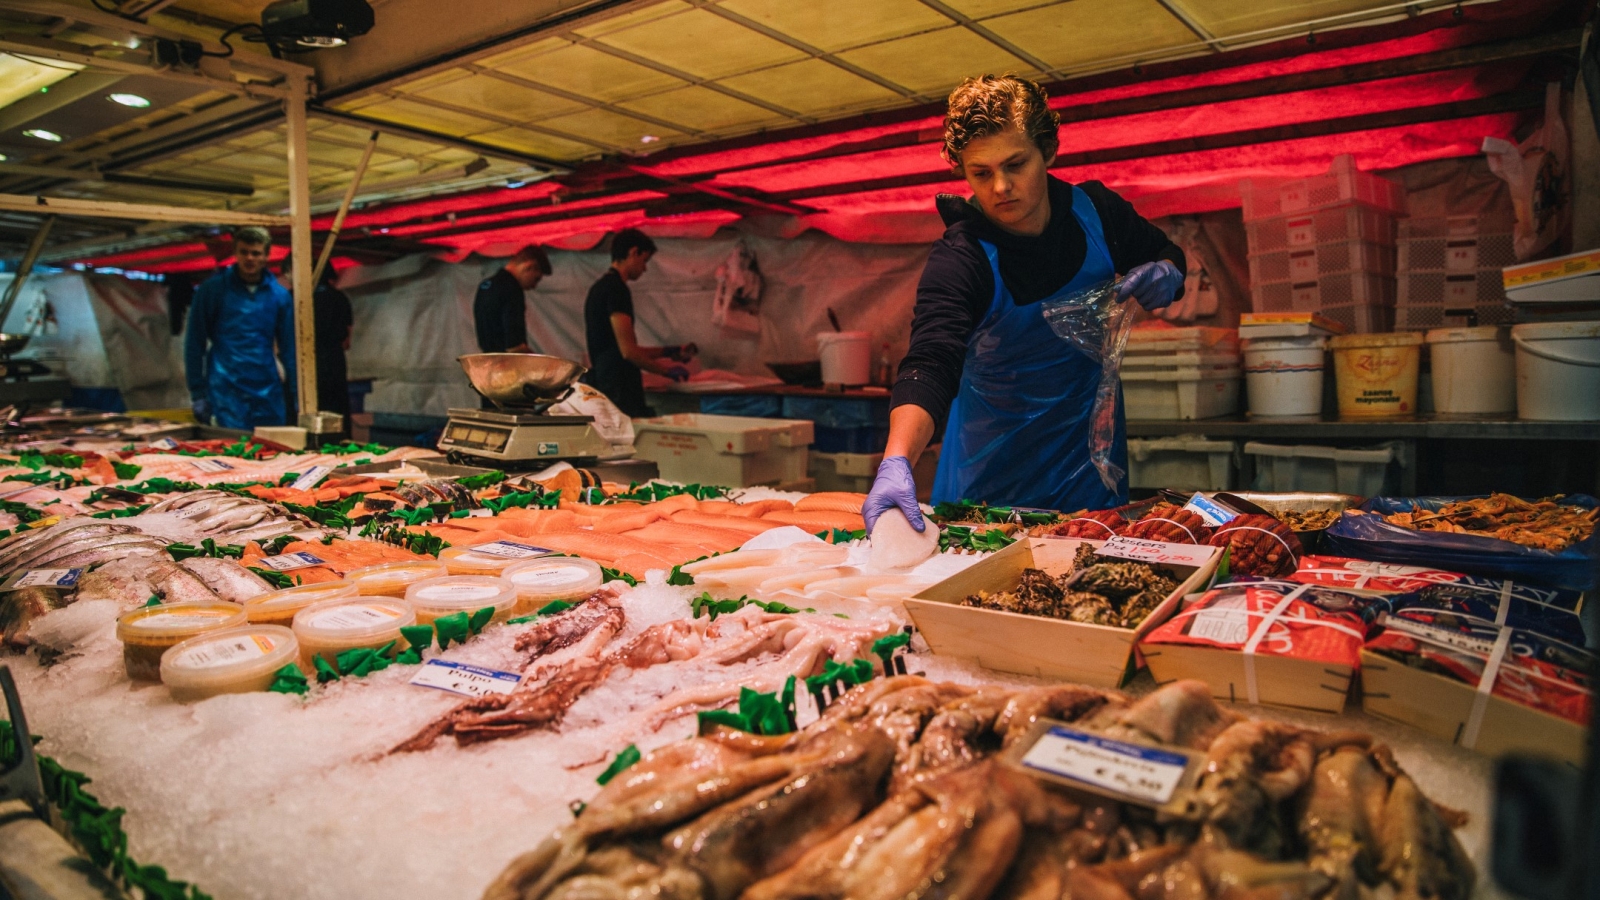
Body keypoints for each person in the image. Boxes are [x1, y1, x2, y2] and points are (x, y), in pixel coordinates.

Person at [863, 75, 1186, 534]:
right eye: (981, 173)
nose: (1000, 187)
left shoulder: (1098, 213)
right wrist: (897, 459)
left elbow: (1165, 252)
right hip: (988, 478)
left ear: (1049, 150)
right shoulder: (962, 257)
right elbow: (932, 361)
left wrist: (1169, 274)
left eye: (1016, 164)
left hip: (1088, 459)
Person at [185, 226, 297, 429]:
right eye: (244, 252)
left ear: (266, 256)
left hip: (267, 388)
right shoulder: (212, 291)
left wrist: (298, 395)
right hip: (226, 389)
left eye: (256, 253)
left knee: (272, 451)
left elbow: (290, 348)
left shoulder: (279, 296)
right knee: (233, 451)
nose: (250, 258)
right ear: (235, 253)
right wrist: (198, 393)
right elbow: (195, 342)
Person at [582, 228, 696, 418]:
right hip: (620, 388)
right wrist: (666, 371)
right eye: (644, 260)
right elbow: (628, 352)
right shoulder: (617, 290)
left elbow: (619, 349)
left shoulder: (599, 288)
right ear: (633, 252)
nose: (645, 268)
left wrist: (668, 352)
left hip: (608, 384)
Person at [282, 256, 354, 433]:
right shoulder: (339, 297)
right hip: (333, 366)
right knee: (335, 420)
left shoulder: (290, 299)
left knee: (300, 421)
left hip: (300, 367)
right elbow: (347, 340)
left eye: (288, 271)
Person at [473, 244, 551, 354]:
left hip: (487, 362)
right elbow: (515, 346)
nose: (534, 286)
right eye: (536, 279)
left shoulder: (485, 285)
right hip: (507, 365)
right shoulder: (512, 289)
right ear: (529, 266)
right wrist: (543, 365)